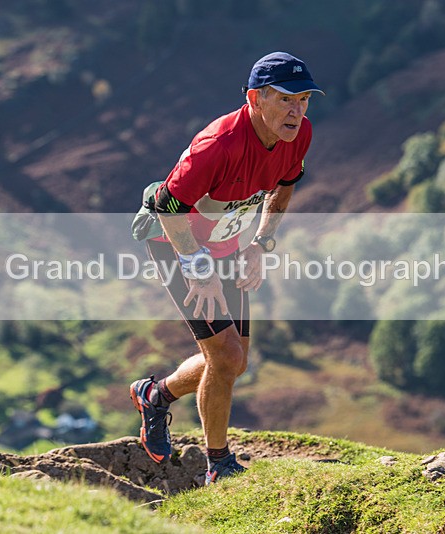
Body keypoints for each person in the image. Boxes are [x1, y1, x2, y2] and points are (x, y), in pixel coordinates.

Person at [130, 51, 323, 485]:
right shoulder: (218, 145)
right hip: (174, 241)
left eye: (305, 100)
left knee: (233, 363)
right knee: (226, 354)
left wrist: (261, 243)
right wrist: (197, 266)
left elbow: (284, 187)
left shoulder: (299, 134)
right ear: (256, 98)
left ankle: (155, 396)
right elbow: (167, 205)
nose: (298, 111)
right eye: (287, 100)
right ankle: (219, 464)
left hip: (229, 245)